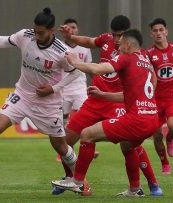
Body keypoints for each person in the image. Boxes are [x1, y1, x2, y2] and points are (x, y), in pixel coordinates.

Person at [0, 8, 81, 188]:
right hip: (22, 95)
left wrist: (53, 88)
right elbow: (3, 41)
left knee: (61, 147)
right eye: (35, 30)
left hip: (48, 104)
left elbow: (75, 74)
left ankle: (80, 180)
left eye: (41, 32)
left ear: (52, 31)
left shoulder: (61, 51)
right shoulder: (25, 36)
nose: (36, 35)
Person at [52, 15, 162, 196]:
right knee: (128, 146)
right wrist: (103, 95)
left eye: (122, 41)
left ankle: (78, 182)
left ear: (127, 43)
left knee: (87, 135)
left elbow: (96, 69)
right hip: (150, 117)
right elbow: (132, 95)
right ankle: (135, 189)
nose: (118, 44)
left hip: (135, 118)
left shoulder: (126, 58)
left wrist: (75, 62)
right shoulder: (147, 63)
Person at [146, 18, 173, 174]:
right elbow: (145, 74)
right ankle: (164, 163)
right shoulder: (149, 54)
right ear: (151, 34)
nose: (158, 33)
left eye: (161, 30)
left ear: (166, 31)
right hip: (155, 101)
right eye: (155, 31)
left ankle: (171, 139)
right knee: (156, 135)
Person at [55, 18, 92, 162]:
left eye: (74, 27)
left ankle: (86, 144)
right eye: (68, 27)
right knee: (63, 120)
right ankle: (63, 150)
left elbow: (89, 67)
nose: (72, 29)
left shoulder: (85, 48)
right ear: (64, 30)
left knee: (83, 118)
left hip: (80, 88)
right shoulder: (59, 47)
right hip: (64, 87)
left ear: (77, 30)